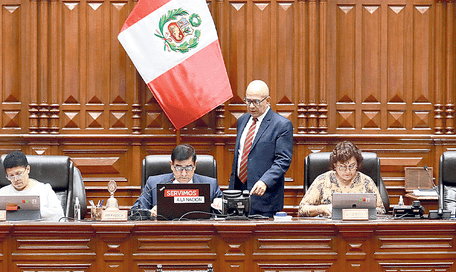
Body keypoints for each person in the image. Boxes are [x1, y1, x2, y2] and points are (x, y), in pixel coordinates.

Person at [228, 80, 294, 217]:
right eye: (248, 101)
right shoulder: (242, 121)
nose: (251, 106)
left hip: (264, 196)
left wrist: (265, 181)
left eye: (256, 102)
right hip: (238, 192)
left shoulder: (281, 125)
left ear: (268, 100)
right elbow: (241, 154)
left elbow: (283, 160)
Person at [131, 144, 223, 217]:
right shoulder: (154, 183)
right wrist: (150, 213)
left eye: (188, 167)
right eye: (178, 168)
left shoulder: (211, 184)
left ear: (195, 165)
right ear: (171, 165)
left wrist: (220, 205)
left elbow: (228, 212)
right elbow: (135, 213)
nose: (183, 174)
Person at [298, 141, 385, 217]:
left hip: (360, 227)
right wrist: (322, 208)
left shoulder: (366, 181)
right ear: (335, 165)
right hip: (328, 229)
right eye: (342, 167)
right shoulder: (323, 180)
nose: (347, 171)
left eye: (352, 166)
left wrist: (361, 212)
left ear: (357, 164)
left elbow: (381, 210)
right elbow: (302, 209)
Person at [0, 151, 64, 221]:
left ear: (28, 169)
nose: (16, 179)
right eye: (11, 176)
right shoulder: (3, 193)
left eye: (19, 174)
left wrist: (32, 213)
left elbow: (59, 215)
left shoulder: (45, 189)